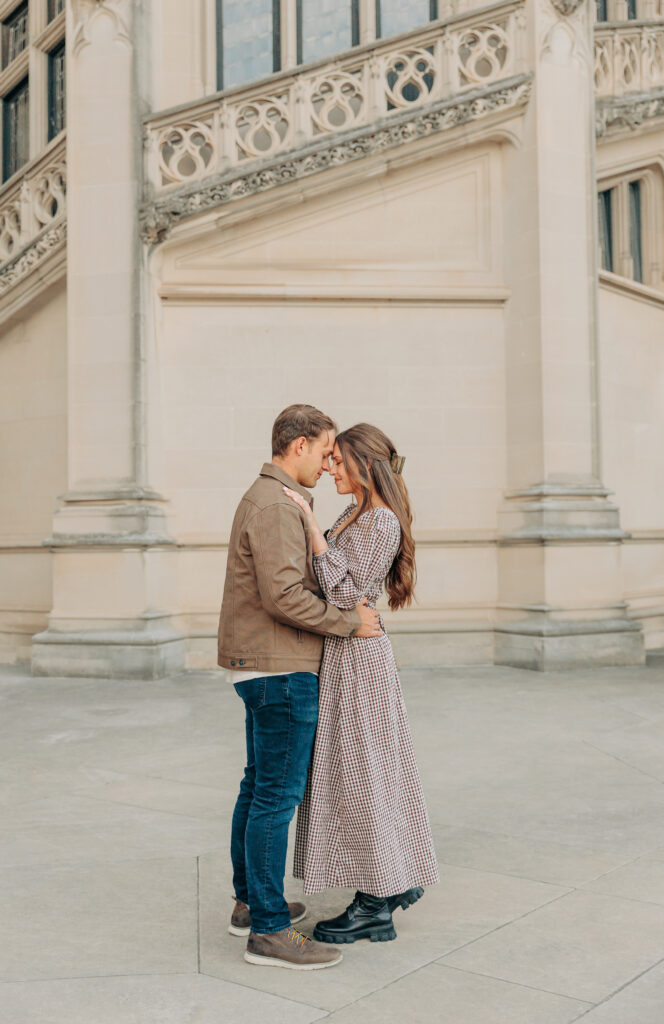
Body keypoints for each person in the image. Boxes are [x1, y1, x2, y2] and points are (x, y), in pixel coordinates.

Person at [217, 404, 382, 970]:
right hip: (280, 668)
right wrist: (351, 622)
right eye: (325, 450)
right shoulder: (275, 505)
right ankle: (267, 931)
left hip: (266, 663)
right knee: (275, 799)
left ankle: (249, 902)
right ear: (300, 445)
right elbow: (284, 596)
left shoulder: (277, 500)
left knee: (258, 786)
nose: (328, 462)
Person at [284, 423, 439, 943]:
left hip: (360, 660)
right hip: (344, 651)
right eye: (327, 460)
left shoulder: (381, 523)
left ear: (364, 465)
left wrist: (309, 529)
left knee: (363, 772)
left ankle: (376, 902)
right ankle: (388, 880)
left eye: (338, 461)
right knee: (352, 771)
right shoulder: (355, 513)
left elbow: (346, 592)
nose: (330, 469)